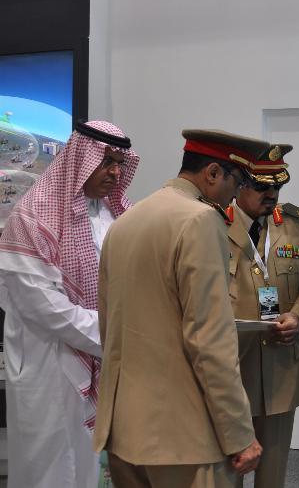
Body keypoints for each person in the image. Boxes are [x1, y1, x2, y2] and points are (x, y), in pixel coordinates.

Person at [93, 129, 267, 488]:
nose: (239, 192)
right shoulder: (200, 221)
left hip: (126, 432)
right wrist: (238, 433)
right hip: (184, 440)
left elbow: (109, 328)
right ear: (213, 173)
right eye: (238, 180)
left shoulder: (125, 221)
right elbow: (209, 341)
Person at [0, 121, 139, 488]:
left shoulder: (117, 216)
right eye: (105, 160)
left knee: (88, 465)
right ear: (79, 158)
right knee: (49, 466)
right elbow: (41, 306)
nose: (114, 171)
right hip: (49, 362)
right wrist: (111, 333)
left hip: (103, 357)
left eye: (119, 162)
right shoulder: (34, 215)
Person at [225, 142, 299, 488]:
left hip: (282, 365)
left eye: (277, 186)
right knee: (227, 468)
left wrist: (298, 318)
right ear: (239, 185)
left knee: (273, 470)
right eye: (262, 187)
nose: (272, 194)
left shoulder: (298, 226)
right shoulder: (211, 224)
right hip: (231, 366)